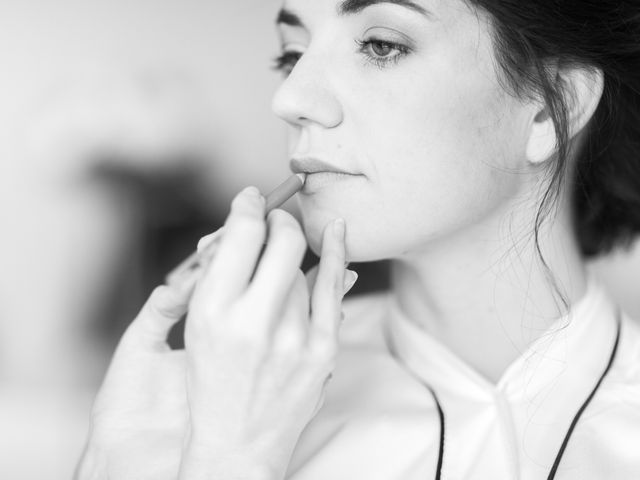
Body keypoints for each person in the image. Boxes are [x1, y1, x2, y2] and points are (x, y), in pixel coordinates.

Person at [76, 0, 640, 478]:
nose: (290, 98)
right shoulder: (219, 403)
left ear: (550, 108)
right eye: (292, 55)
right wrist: (221, 458)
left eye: (380, 45)